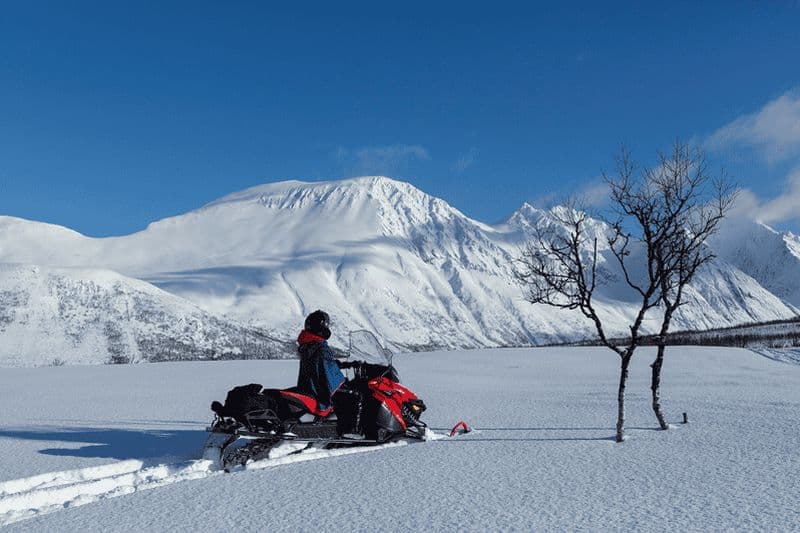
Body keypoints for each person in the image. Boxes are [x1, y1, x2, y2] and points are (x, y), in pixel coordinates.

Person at [296, 310, 363, 438]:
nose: (327, 328)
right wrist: (342, 381)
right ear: (320, 326)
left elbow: (323, 364)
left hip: (309, 386)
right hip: (319, 389)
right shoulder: (319, 346)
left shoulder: (308, 343)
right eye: (325, 325)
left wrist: (343, 365)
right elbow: (327, 371)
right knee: (355, 395)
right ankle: (351, 431)